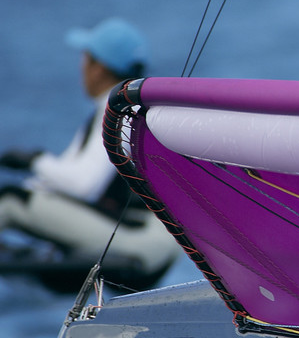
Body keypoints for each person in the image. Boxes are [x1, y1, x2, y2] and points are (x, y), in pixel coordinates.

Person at [0, 18, 177, 277]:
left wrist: (32, 161)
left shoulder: (119, 113)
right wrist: (36, 173)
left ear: (99, 68)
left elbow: (84, 186)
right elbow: (63, 178)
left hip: (143, 244)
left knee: (11, 200)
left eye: (85, 59)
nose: (81, 67)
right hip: (151, 240)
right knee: (22, 198)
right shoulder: (123, 108)